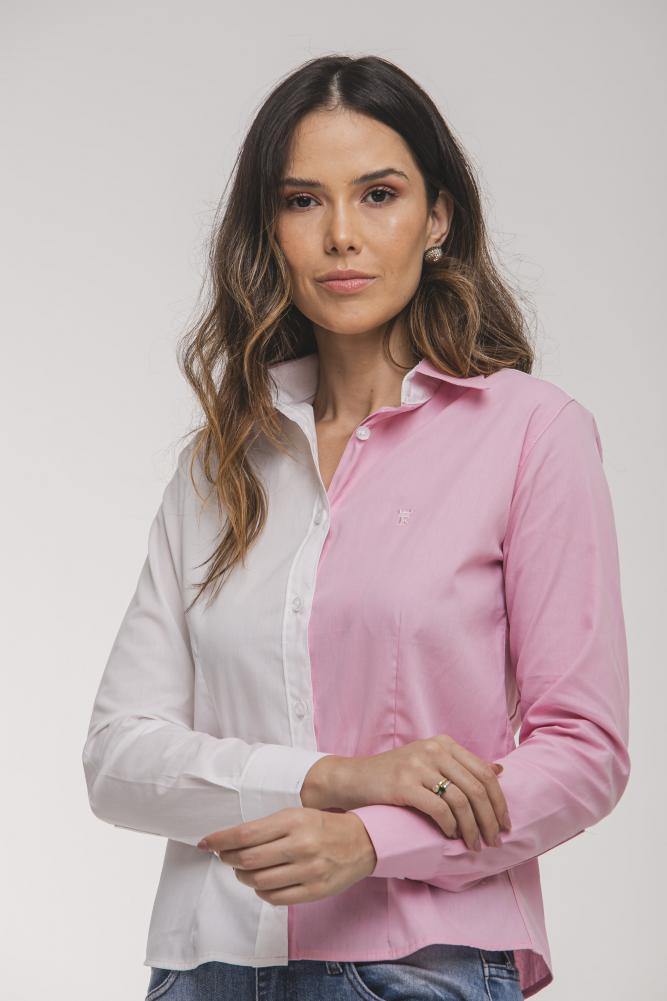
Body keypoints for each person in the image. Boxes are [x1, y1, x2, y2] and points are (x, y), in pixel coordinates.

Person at [82, 54, 631, 1001]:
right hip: (204, 964)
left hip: (417, 964)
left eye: (379, 194)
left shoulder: (531, 433)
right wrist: (335, 779)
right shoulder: (221, 462)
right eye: (303, 201)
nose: (341, 235)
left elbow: (583, 752)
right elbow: (118, 760)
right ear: (269, 229)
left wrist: (373, 842)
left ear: (437, 217)